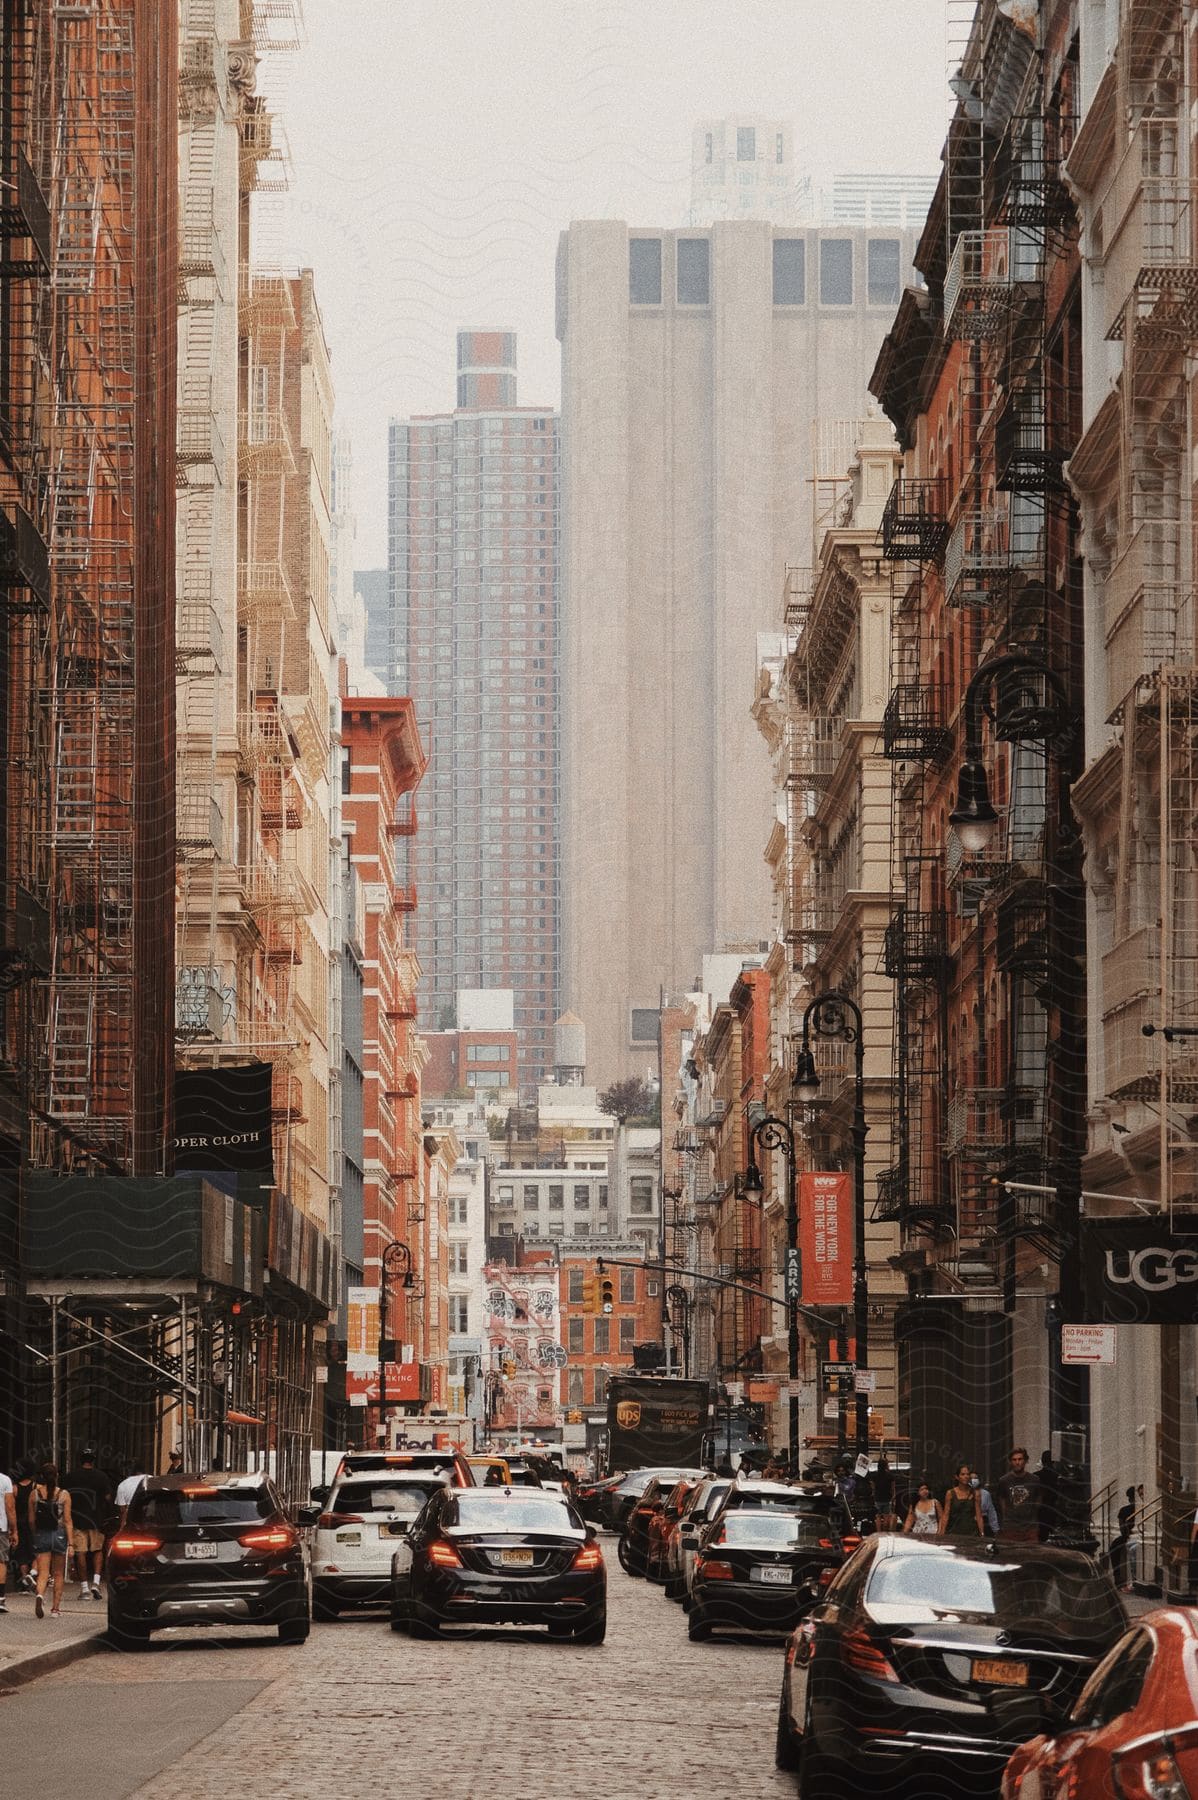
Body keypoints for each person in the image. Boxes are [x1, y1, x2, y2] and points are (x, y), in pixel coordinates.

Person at [64, 1447, 112, 1601]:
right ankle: (96, 1583)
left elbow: (65, 1496)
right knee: (98, 1551)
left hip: (77, 1520)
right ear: (93, 1460)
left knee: (81, 1553)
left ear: (80, 1460)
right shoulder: (102, 1477)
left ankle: (84, 1588)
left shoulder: (70, 1477)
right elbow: (108, 1497)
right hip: (97, 1520)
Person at [29, 1462, 72, 1618]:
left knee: (43, 1572)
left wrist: (36, 1534)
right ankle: (55, 1609)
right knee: (59, 1573)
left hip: (42, 1534)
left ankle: (40, 1595)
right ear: (57, 1476)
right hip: (59, 1534)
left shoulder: (35, 1494)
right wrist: (71, 1543)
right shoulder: (64, 1494)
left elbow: (32, 1520)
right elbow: (67, 1520)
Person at [996, 1446, 1041, 1542]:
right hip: (1011, 1527)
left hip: (1030, 1528)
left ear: (1025, 1461)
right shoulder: (1004, 1480)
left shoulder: (1035, 1480)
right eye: (1014, 1460)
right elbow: (1002, 1502)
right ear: (1010, 1462)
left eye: (1020, 1459)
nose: (1017, 1462)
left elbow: (1038, 1501)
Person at [941, 1463, 984, 1538]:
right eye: (963, 1474)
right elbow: (946, 1515)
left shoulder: (975, 1493)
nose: (966, 1477)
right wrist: (941, 1533)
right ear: (957, 1477)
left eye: (967, 1474)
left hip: (971, 1532)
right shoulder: (950, 1493)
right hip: (954, 1532)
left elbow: (979, 1516)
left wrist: (982, 1534)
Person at [13, 1459, 36, 1591]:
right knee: (35, 1550)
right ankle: (33, 1572)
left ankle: (24, 1579)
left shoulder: (15, 1488)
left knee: (21, 1552)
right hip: (33, 1522)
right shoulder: (36, 1487)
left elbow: (11, 1507)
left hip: (19, 1522)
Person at [1112, 1486, 1136, 1591]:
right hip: (1133, 1535)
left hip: (1127, 1536)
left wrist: (1127, 1534)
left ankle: (1117, 1577)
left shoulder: (1124, 1510)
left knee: (1113, 1547)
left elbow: (1122, 1528)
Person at [115, 1465, 149, 1529]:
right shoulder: (152, 1480)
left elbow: (122, 1510)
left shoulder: (123, 1484)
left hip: (131, 1521)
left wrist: (122, 1527)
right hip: (150, 1519)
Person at [0, 1463, 15, 1611]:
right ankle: (0, 1598)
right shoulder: (5, 1480)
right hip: (1, 1527)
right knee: (1, 1561)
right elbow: (10, 1507)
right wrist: (14, 1529)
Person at [971, 1470, 1000, 1537]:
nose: (973, 1480)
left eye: (975, 1478)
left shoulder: (985, 1494)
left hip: (984, 1524)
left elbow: (991, 1512)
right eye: (971, 1479)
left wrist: (995, 1529)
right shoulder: (965, 1494)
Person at [874, 1455, 897, 1532]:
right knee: (886, 1517)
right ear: (886, 1465)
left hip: (877, 1498)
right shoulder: (890, 1476)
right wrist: (893, 1497)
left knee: (878, 1517)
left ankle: (878, 1533)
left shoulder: (875, 1475)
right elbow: (893, 1488)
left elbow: (873, 1487)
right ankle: (884, 1532)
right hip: (887, 1498)